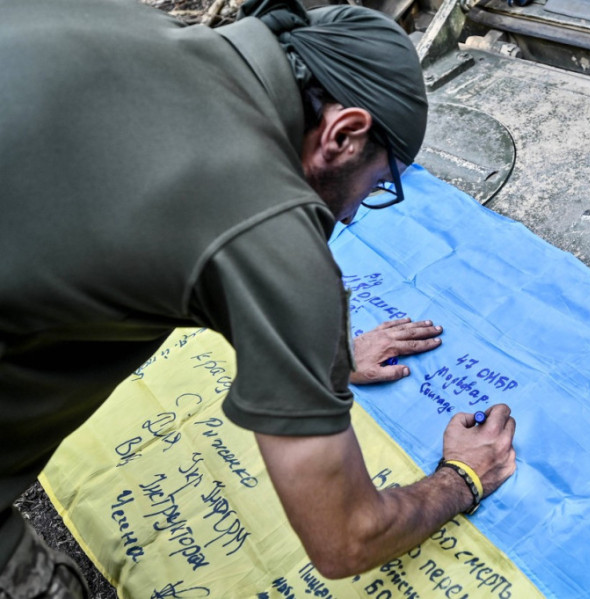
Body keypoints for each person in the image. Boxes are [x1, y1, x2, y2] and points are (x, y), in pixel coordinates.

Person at [0, 0, 517, 595]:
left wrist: (324, 361)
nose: (350, 214)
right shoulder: (274, 240)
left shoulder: (119, 24)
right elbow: (347, 539)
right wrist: (462, 478)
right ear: (343, 134)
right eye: (377, 187)